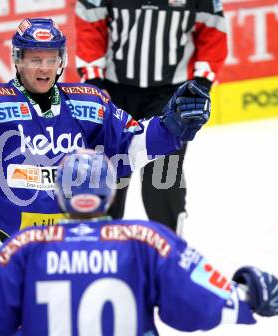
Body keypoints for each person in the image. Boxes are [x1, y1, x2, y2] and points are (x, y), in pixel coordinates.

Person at [0, 18, 210, 293]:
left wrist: (172, 124)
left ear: (62, 60)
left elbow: (132, 145)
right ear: (17, 59)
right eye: (34, 58)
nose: (44, 68)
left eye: (51, 58)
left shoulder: (89, 104)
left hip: (67, 263)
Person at [0, 150, 278, 336]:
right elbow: (196, 306)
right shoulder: (146, 240)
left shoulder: (25, 246)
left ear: (60, 194)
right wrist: (249, 294)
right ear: (108, 194)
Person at [75, 0, 228, 233]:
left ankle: (170, 249)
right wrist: (95, 83)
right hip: (114, 91)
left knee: (162, 175)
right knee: (108, 171)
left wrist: (201, 84)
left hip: (171, 93)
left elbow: (213, 30)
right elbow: (90, 22)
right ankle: (99, 245)